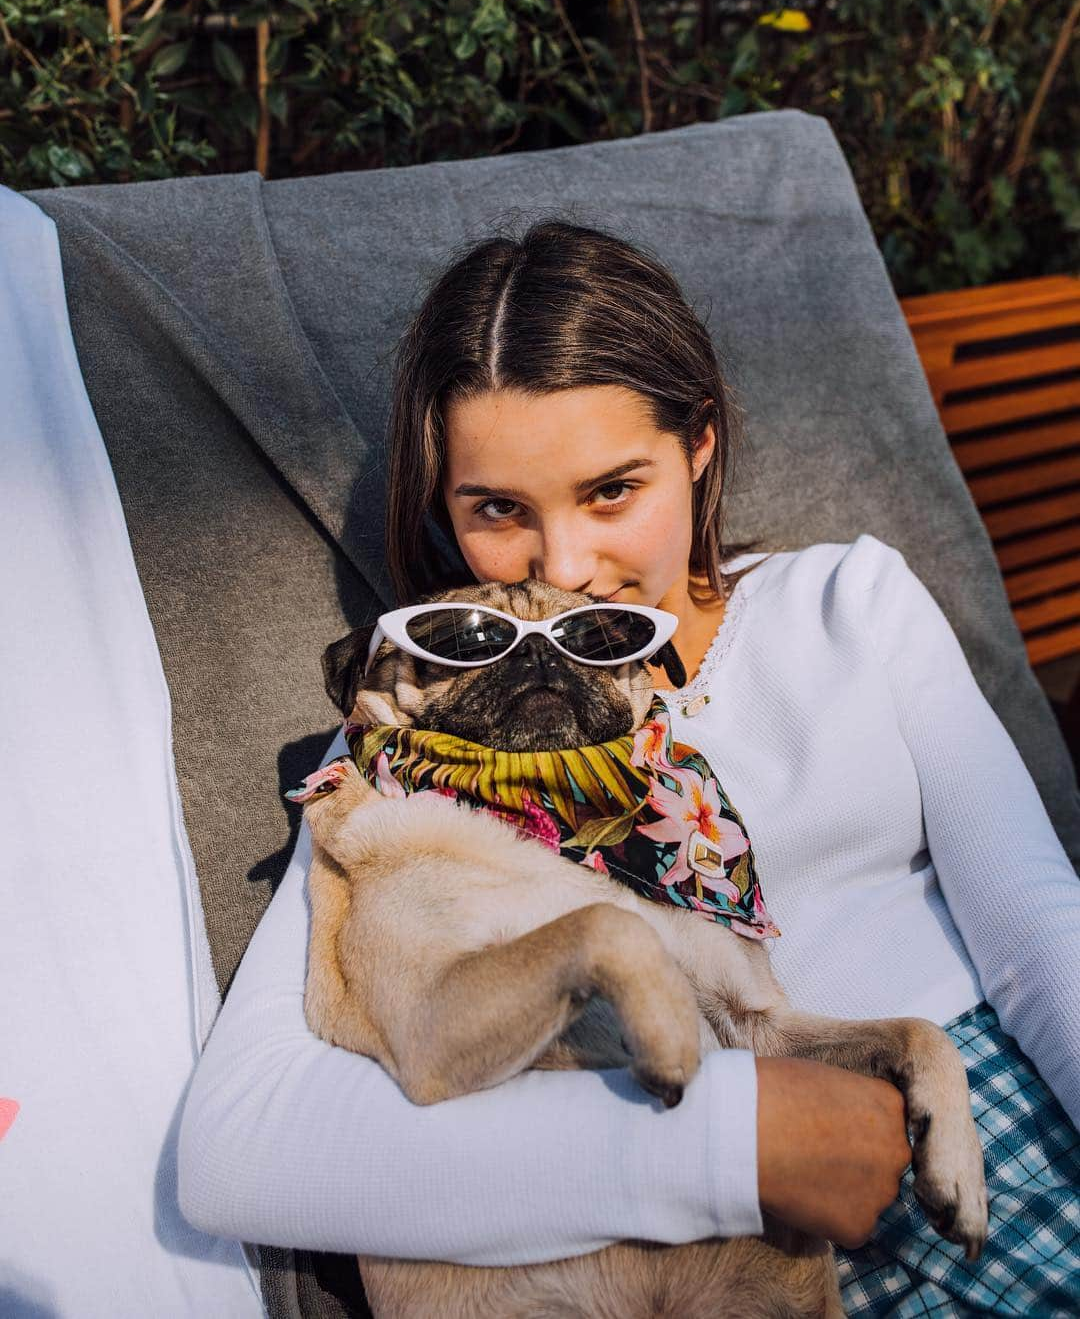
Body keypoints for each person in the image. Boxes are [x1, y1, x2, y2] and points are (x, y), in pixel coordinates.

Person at [178, 219, 1080, 1314]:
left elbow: (1041, 935)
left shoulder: (848, 603)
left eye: (612, 490)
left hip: (991, 1123)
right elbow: (239, 1144)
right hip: (673, 1216)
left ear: (699, 445)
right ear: (444, 509)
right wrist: (728, 1148)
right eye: (499, 510)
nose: (566, 566)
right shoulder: (415, 715)